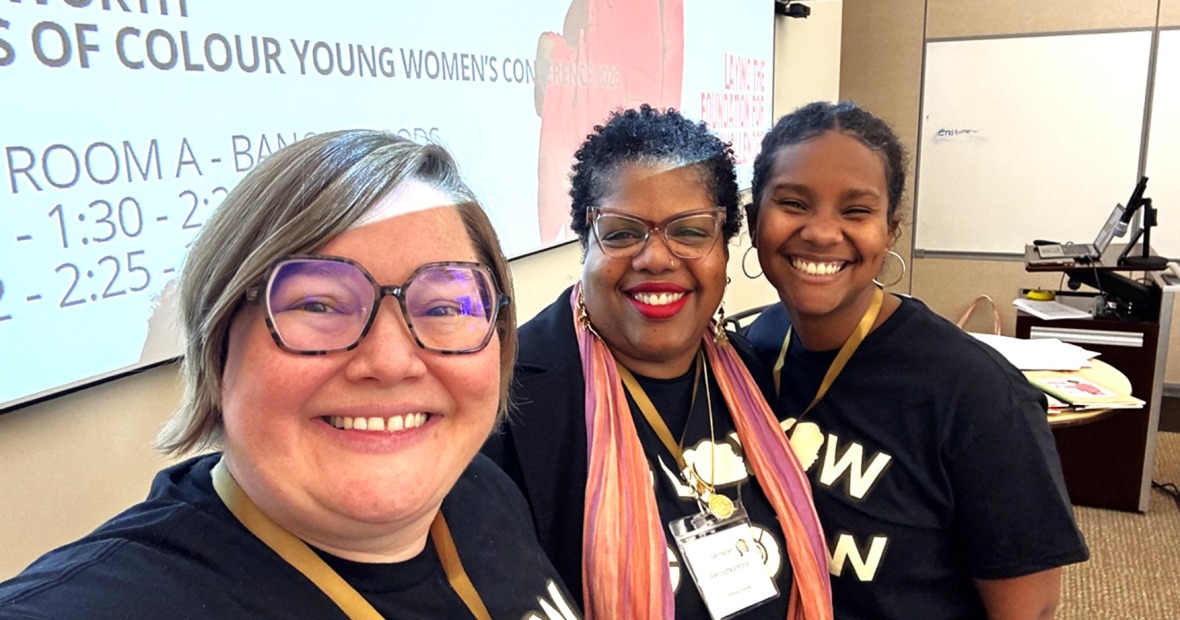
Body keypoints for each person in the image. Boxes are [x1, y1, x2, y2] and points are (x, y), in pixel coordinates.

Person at [0, 131, 579, 619]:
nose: (390, 361)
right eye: (319, 305)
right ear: (220, 340)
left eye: (445, 307)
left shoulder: (482, 490)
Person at [743, 101, 1089, 619]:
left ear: (890, 232)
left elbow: (1028, 611)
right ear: (753, 221)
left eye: (856, 211)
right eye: (793, 203)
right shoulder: (752, 351)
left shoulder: (978, 396)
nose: (820, 232)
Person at [485, 105, 833, 619]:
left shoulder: (753, 372)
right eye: (624, 232)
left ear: (725, 244)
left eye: (690, 231)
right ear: (586, 239)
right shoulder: (512, 402)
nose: (656, 258)